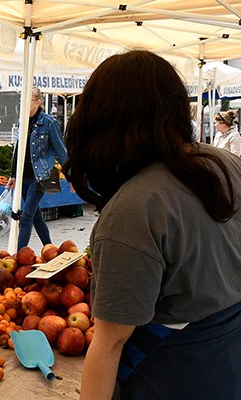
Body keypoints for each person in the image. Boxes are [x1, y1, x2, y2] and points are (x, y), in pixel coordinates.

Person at [65, 50, 241, 400]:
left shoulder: (132, 210)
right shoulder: (228, 164)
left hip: (174, 379)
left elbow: (110, 342)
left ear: (101, 120)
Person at [6, 87, 67, 250]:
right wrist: (12, 175)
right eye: (22, 100)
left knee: (25, 217)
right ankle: (50, 249)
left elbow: (62, 151)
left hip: (39, 177)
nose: (23, 104)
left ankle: (17, 257)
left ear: (38, 102)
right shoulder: (22, 121)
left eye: (28, 100)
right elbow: (18, 149)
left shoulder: (49, 122)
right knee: (36, 217)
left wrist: (71, 176)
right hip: (22, 176)